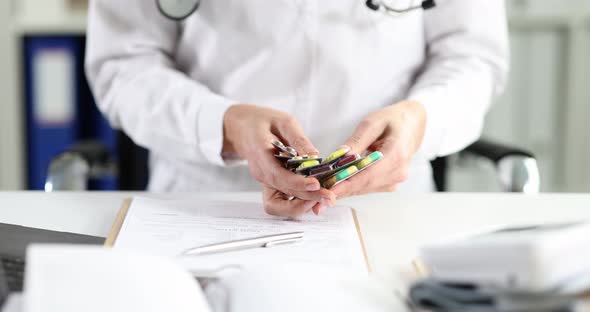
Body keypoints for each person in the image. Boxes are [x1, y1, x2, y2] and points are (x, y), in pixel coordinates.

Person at [85, 0, 508, 217]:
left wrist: (420, 121)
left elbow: (472, 57)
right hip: (204, 201)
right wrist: (222, 125)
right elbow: (123, 63)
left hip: (387, 207)